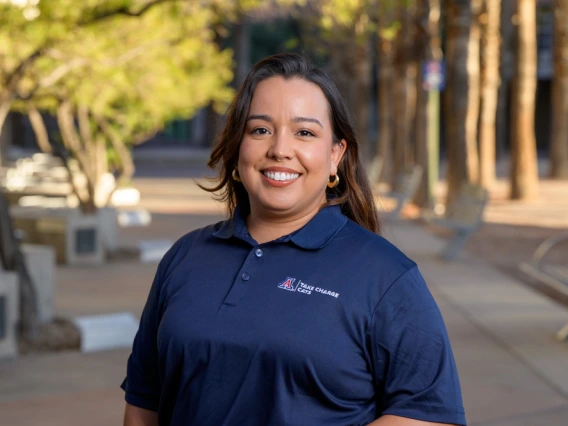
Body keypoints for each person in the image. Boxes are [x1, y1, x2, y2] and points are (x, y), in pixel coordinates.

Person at [122, 53, 466, 426]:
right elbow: (144, 403)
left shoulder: (386, 276)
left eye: (304, 132)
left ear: (336, 154)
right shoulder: (185, 257)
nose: (280, 149)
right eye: (260, 130)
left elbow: (428, 415)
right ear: (237, 150)